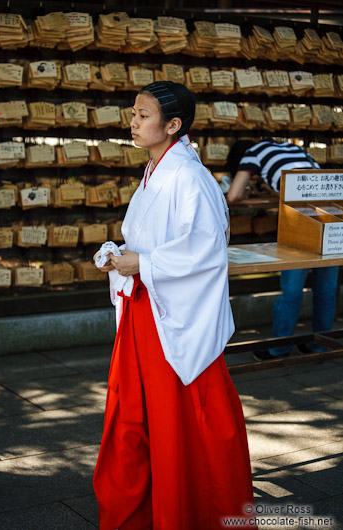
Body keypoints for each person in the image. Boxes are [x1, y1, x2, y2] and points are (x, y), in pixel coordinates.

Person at [93, 81, 256, 530]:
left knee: (177, 421)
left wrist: (142, 261)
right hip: (148, 307)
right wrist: (122, 254)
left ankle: (187, 512)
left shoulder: (189, 176)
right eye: (133, 112)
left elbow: (205, 249)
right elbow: (154, 240)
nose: (133, 121)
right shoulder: (156, 169)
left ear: (173, 125)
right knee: (139, 416)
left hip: (170, 316)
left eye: (143, 115)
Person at [226, 138, 339, 360]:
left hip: (300, 223)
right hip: (332, 216)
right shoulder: (294, 148)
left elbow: (233, 195)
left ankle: (279, 348)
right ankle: (321, 346)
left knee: (292, 291)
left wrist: (250, 189)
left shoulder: (253, 153)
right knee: (326, 290)